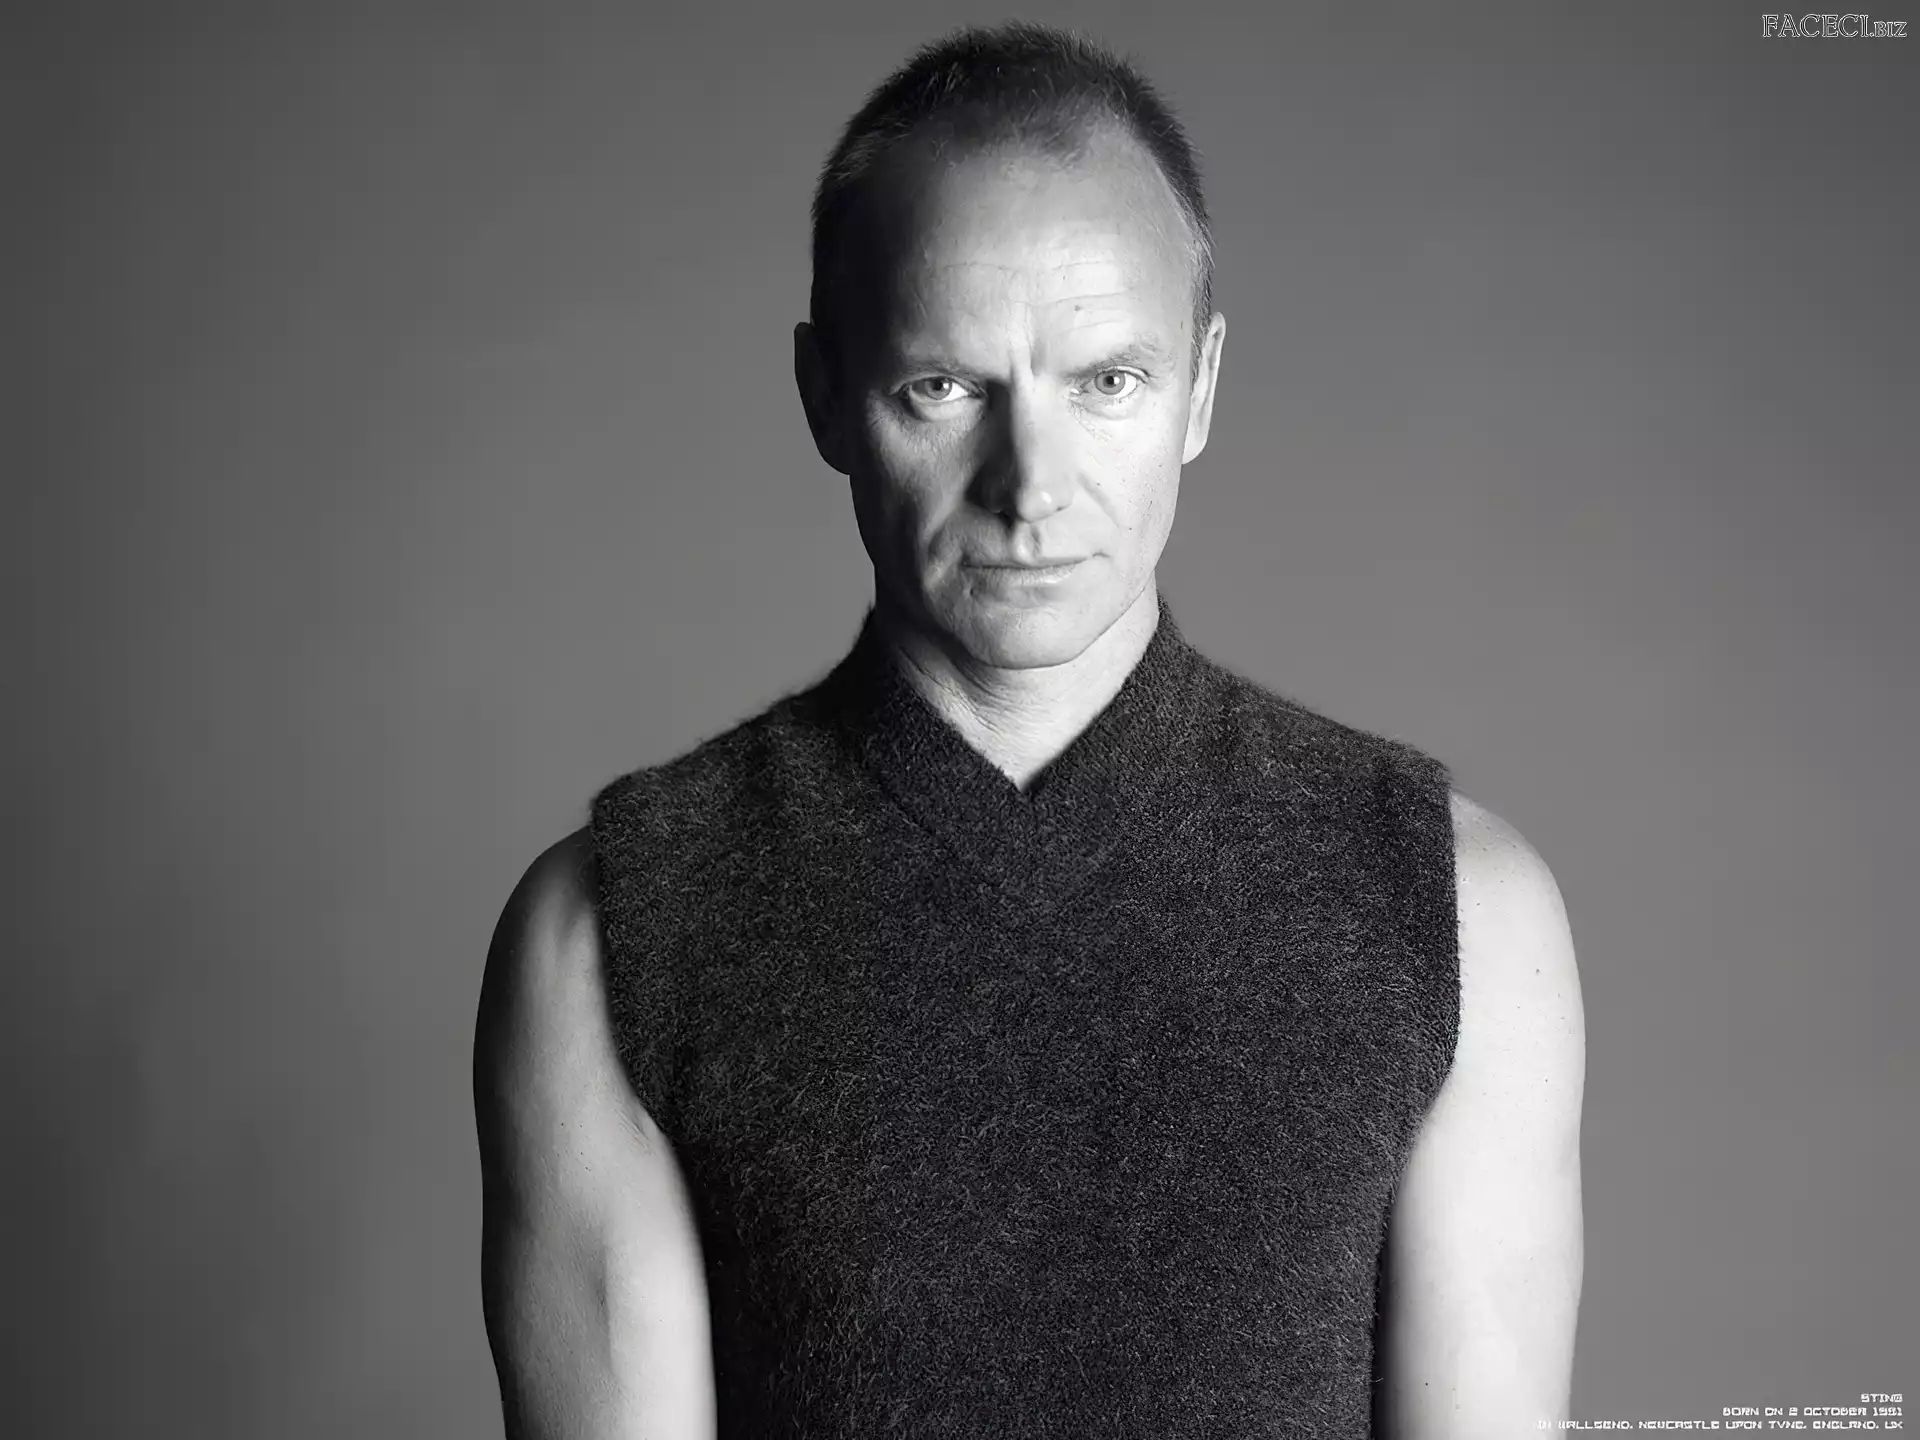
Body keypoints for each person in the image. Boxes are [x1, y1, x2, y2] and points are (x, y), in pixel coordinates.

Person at [474, 21, 1584, 1440]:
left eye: (1107, 381)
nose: (1029, 484)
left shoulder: (1458, 913)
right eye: (944, 388)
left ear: (1201, 389)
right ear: (825, 395)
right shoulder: (613, 935)